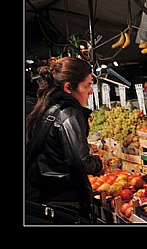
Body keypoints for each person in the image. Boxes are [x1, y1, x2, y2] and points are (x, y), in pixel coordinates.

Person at [25, 57, 104, 225]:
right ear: (68, 87)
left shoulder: (46, 107)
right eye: (87, 85)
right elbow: (81, 162)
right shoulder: (68, 113)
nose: (91, 91)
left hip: (44, 195)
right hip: (64, 201)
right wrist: (98, 164)